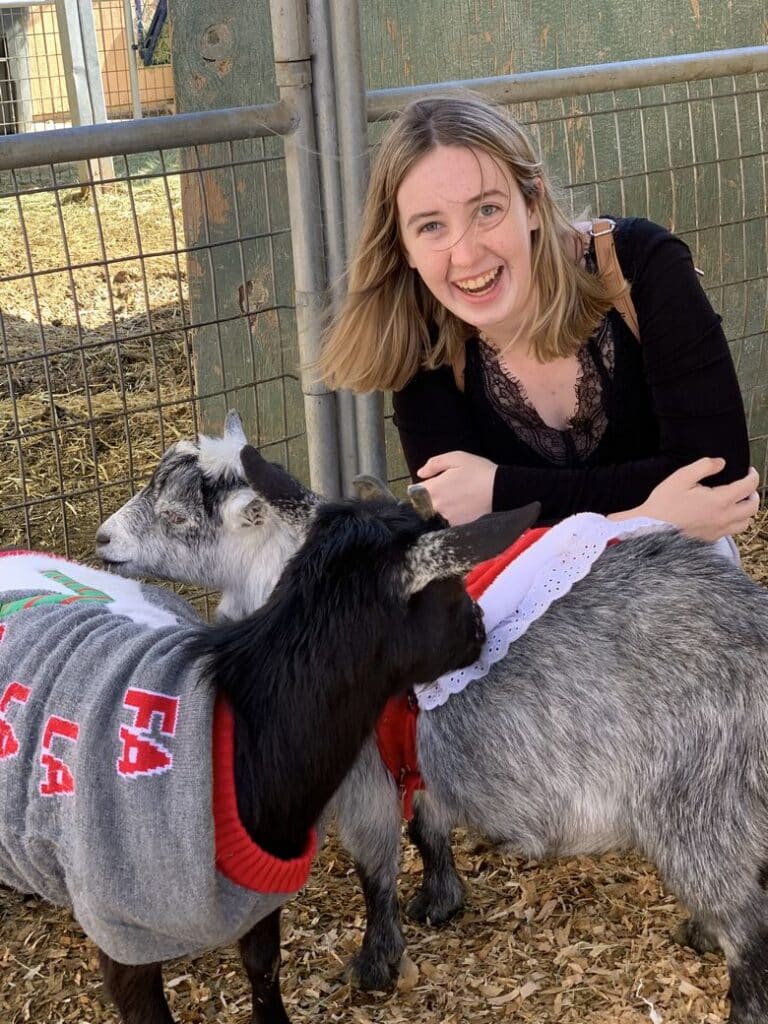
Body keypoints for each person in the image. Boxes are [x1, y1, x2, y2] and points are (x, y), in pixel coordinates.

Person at [320, 94, 759, 541]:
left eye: (487, 210)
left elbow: (721, 481)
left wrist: (500, 489)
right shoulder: (420, 336)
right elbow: (469, 540)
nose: (467, 255)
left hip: (677, 585)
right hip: (537, 605)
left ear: (532, 203)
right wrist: (647, 519)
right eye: (431, 226)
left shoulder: (640, 263)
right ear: (404, 247)